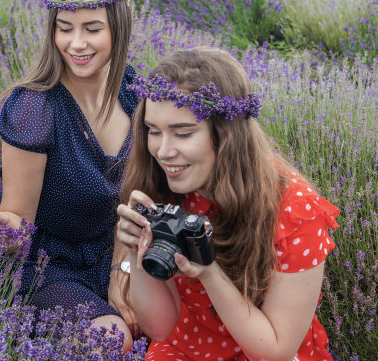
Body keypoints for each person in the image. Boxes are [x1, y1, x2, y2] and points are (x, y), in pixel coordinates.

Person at [116, 47, 340, 360]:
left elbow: (274, 351)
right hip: (186, 347)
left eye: (183, 133)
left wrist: (208, 274)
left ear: (226, 136)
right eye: (153, 131)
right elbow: (161, 328)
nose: (163, 151)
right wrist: (135, 251)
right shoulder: (164, 185)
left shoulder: (295, 212)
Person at [0, 0, 139, 352]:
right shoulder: (36, 108)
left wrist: (122, 269)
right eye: (65, 28)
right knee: (112, 342)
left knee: (180, 317)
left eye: (92, 29)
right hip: (43, 265)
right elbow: (18, 222)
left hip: (113, 253)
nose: (76, 43)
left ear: (118, 28)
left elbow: (142, 197)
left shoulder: (134, 93)